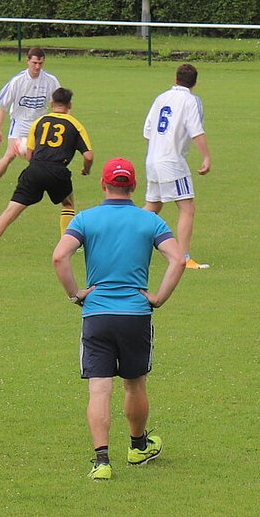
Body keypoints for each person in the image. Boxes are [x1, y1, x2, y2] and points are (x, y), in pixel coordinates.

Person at [52, 157, 187, 481]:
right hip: (135, 315)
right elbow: (178, 260)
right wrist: (158, 297)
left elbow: (59, 256)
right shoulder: (150, 221)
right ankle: (138, 447)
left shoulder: (85, 219)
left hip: (97, 314)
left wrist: (76, 295)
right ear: (134, 186)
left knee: (99, 390)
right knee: (135, 383)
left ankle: (101, 462)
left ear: (103, 184)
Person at [0, 87, 91, 258]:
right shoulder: (76, 125)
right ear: (70, 105)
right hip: (58, 172)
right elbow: (88, 156)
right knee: (67, 204)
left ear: (51, 103)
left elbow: (29, 155)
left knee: (10, 212)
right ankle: (67, 244)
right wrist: (86, 169)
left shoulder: (39, 122)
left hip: (34, 170)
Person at [142, 63, 212, 270]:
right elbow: (196, 130)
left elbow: (147, 131)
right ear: (195, 83)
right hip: (171, 162)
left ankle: (122, 237)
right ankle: (184, 257)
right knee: (187, 208)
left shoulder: (161, 98)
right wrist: (206, 157)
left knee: (153, 206)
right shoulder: (190, 101)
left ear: (175, 79)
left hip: (152, 160)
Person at [0, 47, 61, 194]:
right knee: (10, 155)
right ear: (27, 61)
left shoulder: (51, 81)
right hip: (20, 122)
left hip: (40, 124)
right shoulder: (17, 81)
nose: (37, 67)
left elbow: (59, 103)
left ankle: (41, 186)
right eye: (34, 63)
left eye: (40, 63)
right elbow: (3, 107)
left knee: (40, 157)